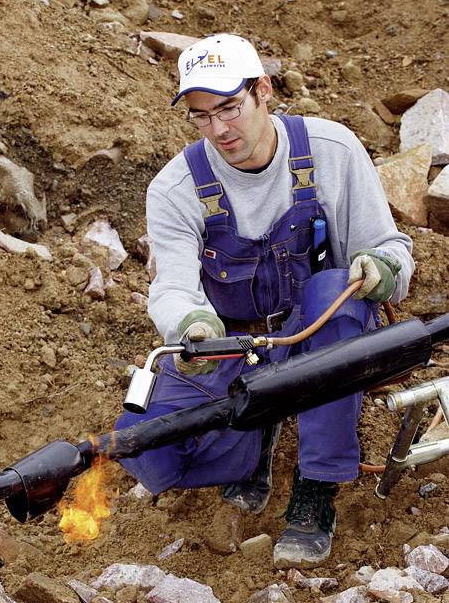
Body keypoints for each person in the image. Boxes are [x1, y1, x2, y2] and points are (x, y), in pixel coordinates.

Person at [115, 33, 414, 569]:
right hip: (237, 348)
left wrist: (382, 269)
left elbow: (391, 248)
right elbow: (173, 287)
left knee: (334, 293)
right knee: (149, 444)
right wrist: (191, 324)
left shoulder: (332, 150)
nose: (219, 130)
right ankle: (252, 442)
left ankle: (316, 485)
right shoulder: (175, 188)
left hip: (321, 335)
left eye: (230, 107)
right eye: (202, 116)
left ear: (264, 91)